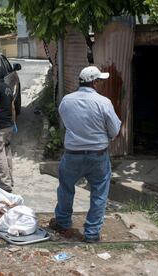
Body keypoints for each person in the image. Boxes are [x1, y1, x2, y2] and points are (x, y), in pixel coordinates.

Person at [50, 66, 121, 243]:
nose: (102, 84)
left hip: (72, 153)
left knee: (66, 188)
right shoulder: (104, 102)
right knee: (99, 193)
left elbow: (66, 123)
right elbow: (114, 130)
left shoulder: (66, 100)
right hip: (98, 155)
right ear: (95, 82)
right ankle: (91, 233)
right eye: (100, 81)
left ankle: (63, 223)